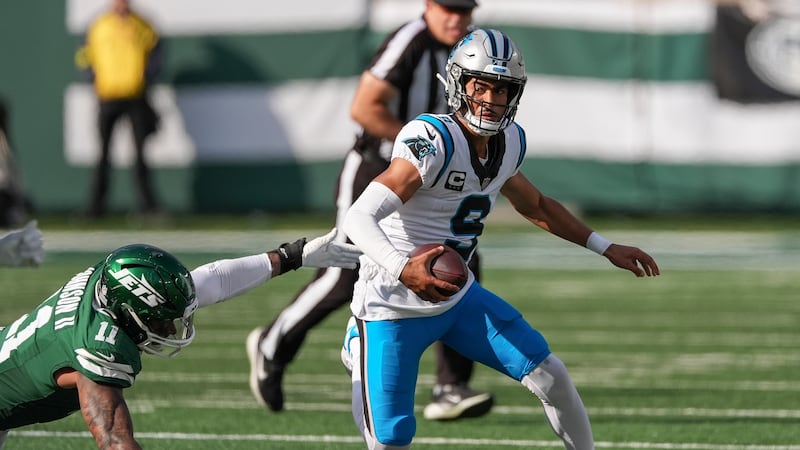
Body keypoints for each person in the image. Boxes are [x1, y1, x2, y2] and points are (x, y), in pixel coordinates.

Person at [340, 29, 661, 449]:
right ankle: (359, 341)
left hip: (457, 297)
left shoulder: (509, 142)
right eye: (482, 85)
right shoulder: (432, 139)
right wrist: (404, 268)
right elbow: (359, 216)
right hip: (391, 304)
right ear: (458, 83)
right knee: (390, 438)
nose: (492, 99)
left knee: (552, 376)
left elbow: (538, 206)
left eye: (503, 89)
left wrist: (605, 246)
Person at [247, 0, 494, 421]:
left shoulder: (471, 50)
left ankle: (450, 385)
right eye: (449, 8)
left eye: (465, 10)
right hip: (377, 168)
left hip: (428, 179)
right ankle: (273, 344)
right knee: (345, 269)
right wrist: (425, 145)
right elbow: (364, 108)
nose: (458, 18)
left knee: (460, 258)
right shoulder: (410, 42)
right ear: (428, 6)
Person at [0, 228, 360, 449]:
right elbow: (113, 441)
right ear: (130, 312)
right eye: (163, 321)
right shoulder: (96, 346)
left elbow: (211, 281)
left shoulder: (110, 286)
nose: (170, 329)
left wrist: (290, 256)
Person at [75, 0, 162, 218]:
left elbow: (156, 54)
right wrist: (93, 80)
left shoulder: (143, 25)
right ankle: (96, 207)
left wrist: (146, 79)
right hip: (108, 96)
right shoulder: (99, 25)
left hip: (136, 96)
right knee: (103, 154)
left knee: (140, 155)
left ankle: (147, 206)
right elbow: (85, 56)